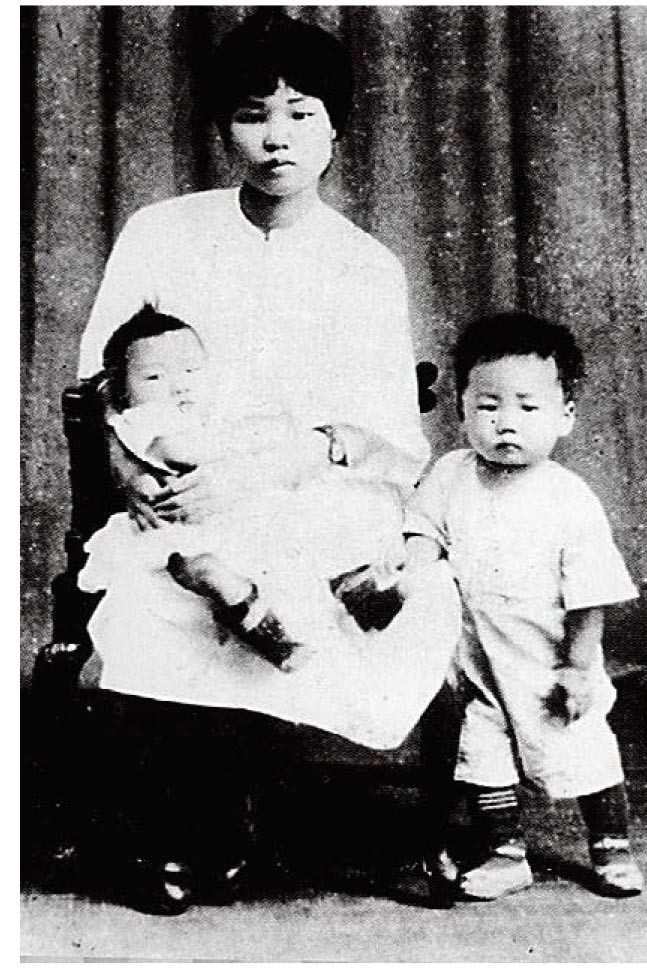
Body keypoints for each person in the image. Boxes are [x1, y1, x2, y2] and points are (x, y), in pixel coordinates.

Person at [74, 10, 461, 913]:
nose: (276, 137)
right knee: (163, 574)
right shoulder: (161, 231)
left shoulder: (365, 266)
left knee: (349, 569)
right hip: (184, 479)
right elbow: (97, 382)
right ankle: (184, 820)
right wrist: (121, 473)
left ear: (334, 127)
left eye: (300, 113)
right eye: (253, 115)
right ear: (224, 129)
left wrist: (282, 463)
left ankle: (254, 804)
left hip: (312, 482)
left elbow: (383, 432)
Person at [405, 311, 643, 900]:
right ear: (461, 408)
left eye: (528, 407)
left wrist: (577, 667)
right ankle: (506, 853)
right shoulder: (451, 474)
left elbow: (591, 593)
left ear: (565, 415)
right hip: (479, 659)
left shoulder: (567, 497)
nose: (506, 423)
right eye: (488, 406)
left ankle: (611, 845)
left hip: (547, 659)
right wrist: (412, 564)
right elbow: (424, 529)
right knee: (483, 755)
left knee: (579, 748)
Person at [83, 303, 413, 670]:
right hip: (190, 525)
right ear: (123, 392)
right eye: (154, 377)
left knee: (303, 529)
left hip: (233, 514)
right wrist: (251, 439)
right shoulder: (144, 421)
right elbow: (184, 450)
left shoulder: (206, 413)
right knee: (213, 568)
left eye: (191, 370)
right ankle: (267, 632)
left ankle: (355, 591)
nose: (178, 385)